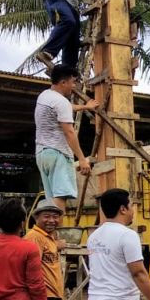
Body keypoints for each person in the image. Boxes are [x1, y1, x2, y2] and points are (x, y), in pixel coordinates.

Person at [34, 64, 98, 211]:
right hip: (58, 153)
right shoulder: (61, 102)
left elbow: (66, 107)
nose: (73, 85)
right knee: (60, 197)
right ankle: (57, 231)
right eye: (72, 82)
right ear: (63, 82)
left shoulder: (45, 95)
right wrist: (82, 159)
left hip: (43, 153)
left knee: (51, 198)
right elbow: (69, 133)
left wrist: (85, 107)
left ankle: (50, 234)